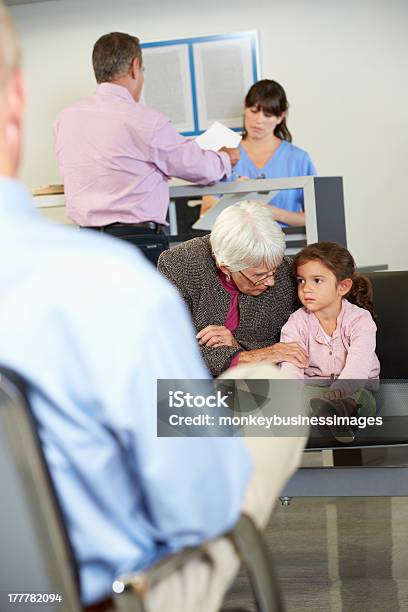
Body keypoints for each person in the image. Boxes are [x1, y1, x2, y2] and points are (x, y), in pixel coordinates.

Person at [0, 7, 305, 612]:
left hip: (20, 583)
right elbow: (200, 166)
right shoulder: (121, 294)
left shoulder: (67, 121)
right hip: (103, 595)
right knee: (273, 392)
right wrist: (219, 159)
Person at [54, 32, 239, 265]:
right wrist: (225, 158)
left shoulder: (65, 119)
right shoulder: (145, 120)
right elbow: (198, 167)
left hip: (86, 243)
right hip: (135, 242)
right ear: (135, 66)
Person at [158, 200, 308, 376]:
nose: (271, 282)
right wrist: (248, 357)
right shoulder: (180, 264)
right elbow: (171, 344)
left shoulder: (286, 273)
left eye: (274, 271)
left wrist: (237, 348)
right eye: (260, 276)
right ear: (226, 268)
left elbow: (294, 343)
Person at [280, 242, 380, 439]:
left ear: (343, 286)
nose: (306, 288)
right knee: (302, 398)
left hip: (355, 387)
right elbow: (291, 364)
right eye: (301, 280)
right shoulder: (296, 322)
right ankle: (332, 415)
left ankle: (340, 412)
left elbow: (358, 366)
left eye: (317, 280)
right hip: (314, 389)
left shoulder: (360, 320)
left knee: (363, 401)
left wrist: (340, 390)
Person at [201, 79, 316, 227]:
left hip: (287, 244)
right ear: (245, 108)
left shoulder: (298, 159)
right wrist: (237, 201)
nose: (258, 120)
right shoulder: (223, 156)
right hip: (236, 245)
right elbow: (207, 211)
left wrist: (269, 211)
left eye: (268, 115)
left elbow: (314, 217)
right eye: (254, 111)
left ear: (280, 117)